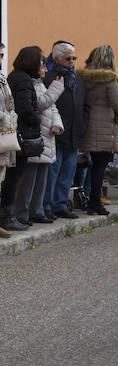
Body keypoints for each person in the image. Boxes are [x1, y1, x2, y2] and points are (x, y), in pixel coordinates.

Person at [79, 45, 118, 215]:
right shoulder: (109, 79)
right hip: (103, 127)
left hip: (89, 123)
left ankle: (89, 199)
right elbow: (116, 104)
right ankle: (95, 202)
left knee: (91, 165)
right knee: (100, 167)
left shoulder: (85, 77)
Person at [15, 52, 64, 225]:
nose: (45, 69)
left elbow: (53, 108)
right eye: (42, 65)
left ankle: (37, 209)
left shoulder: (40, 84)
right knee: (28, 179)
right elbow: (40, 103)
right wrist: (56, 89)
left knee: (41, 177)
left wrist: (57, 123)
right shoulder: (29, 84)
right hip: (35, 134)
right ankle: (23, 212)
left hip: (47, 135)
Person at [1, 47, 46, 230]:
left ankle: (8, 216)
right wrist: (37, 121)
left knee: (11, 176)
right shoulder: (23, 80)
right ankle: (7, 217)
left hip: (14, 132)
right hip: (19, 134)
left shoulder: (13, 77)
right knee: (13, 177)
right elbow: (24, 108)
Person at [43, 42, 89, 219]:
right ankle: (47, 205)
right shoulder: (50, 78)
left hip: (74, 132)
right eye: (68, 58)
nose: (72, 61)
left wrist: (83, 124)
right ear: (56, 59)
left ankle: (61, 204)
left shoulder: (77, 79)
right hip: (56, 132)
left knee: (68, 171)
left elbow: (85, 105)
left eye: (74, 58)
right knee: (53, 171)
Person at [0, 43, 15, 237]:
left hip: (4, 134)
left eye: (2, 55)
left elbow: (10, 105)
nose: (0, 59)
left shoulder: (3, 79)